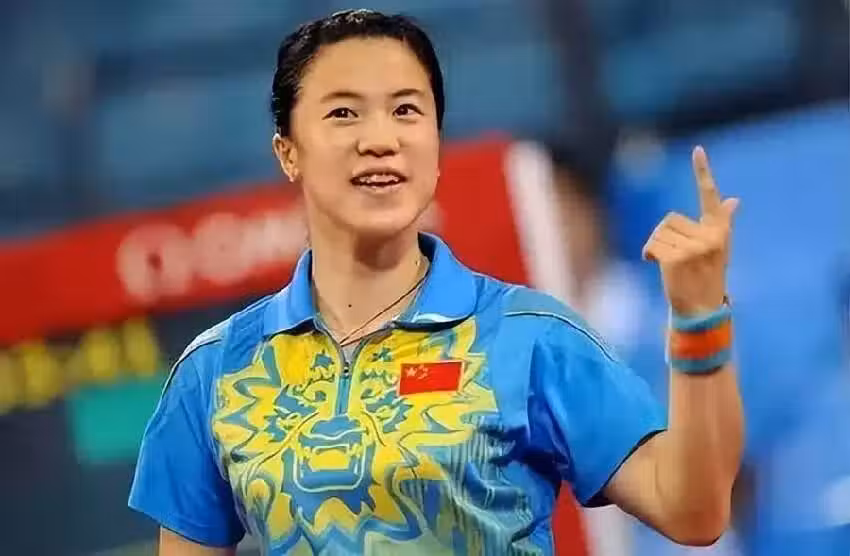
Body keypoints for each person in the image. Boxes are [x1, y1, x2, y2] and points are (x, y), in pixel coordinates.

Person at [128, 9, 744, 556]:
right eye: (343, 113)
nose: (381, 140)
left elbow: (693, 510)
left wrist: (700, 319)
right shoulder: (216, 371)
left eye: (407, 110)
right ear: (288, 151)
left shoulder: (531, 338)